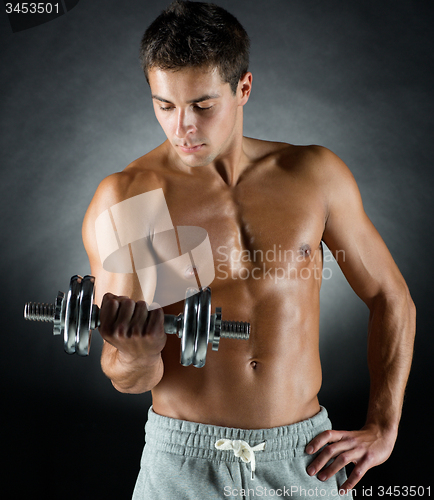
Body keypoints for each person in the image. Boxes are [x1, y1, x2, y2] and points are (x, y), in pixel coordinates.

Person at [82, 1, 416, 498]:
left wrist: (383, 426)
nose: (182, 129)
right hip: (184, 463)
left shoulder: (313, 177)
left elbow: (391, 298)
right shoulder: (133, 197)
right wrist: (138, 355)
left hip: (306, 458)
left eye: (202, 105)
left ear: (243, 88)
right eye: (164, 106)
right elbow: (127, 375)